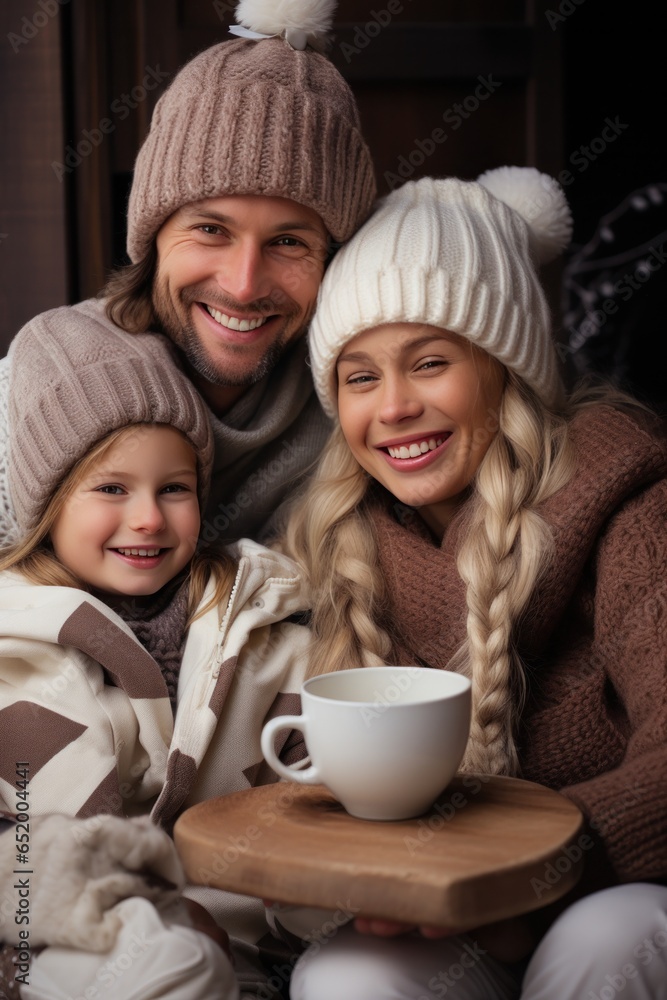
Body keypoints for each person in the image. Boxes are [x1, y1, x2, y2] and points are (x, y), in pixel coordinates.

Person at [278, 167, 667, 998]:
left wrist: (521, 883)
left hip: (604, 889)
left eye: (428, 362)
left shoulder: (630, 506)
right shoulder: (344, 547)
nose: (392, 408)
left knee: (614, 937)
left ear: (504, 371)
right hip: (431, 922)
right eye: (359, 377)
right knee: (347, 976)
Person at [0, 304, 314, 999]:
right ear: (48, 505)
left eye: (174, 489)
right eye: (110, 488)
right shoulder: (10, 645)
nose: (147, 517)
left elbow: (319, 791)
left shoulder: (260, 626)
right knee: (176, 965)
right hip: (68, 942)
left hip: (252, 948)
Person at [0, 0, 376, 550]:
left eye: (289, 242)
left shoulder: (362, 409)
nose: (243, 284)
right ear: (152, 234)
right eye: (211, 231)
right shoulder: (42, 382)